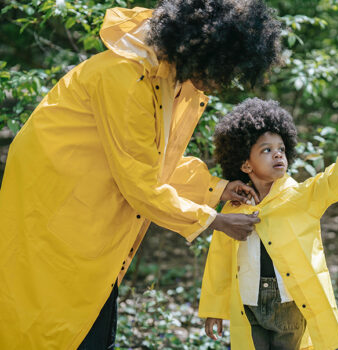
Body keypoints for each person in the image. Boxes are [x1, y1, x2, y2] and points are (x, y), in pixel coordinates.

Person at [0, 0, 281, 349]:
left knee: (84, 321)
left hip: (90, 218)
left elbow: (152, 161)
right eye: (225, 70)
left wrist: (218, 189)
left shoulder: (173, 83)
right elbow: (140, 181)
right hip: (57, 214)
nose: (224, 83)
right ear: (202, 48)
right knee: (51, 326)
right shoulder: (127, 77)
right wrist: (213, 221)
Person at [199, 97, 338, 349]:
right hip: (248, 305)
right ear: (245, 164)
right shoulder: (233, 209)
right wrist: (213, 309)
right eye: (266, 150)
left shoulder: (302, 196)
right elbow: (219, 261)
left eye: (281, 149)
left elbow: (336, 179)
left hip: (290, 305)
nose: (277, 154)